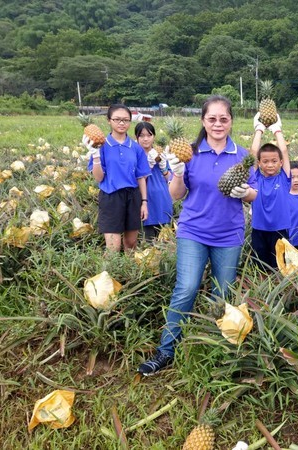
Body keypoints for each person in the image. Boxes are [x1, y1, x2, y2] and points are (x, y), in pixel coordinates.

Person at [138, 95, 257, 376]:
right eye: (212, 119)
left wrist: (247, 193)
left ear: (231, 122)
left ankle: (215, 347)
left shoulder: (241, 155)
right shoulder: (189, 152)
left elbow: (254, 193)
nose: (218, 124)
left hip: (229, 233)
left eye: (223, 119)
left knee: (223, 294)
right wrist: (177, 173)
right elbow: (176, 195)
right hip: (193, 230)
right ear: (203, 121)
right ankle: (166, 350)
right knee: (187, 287)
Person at [84, 104, 151, 252]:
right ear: (109, 121)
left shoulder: (135, 147)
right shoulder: (101, 145)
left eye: (126, 120)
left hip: (133, 196)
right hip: (111, 196)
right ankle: (109, 273)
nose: (122, 123)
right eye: (117, 119)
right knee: (113, 246)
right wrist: (95, 155)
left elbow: (141, 177)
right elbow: (99, 178)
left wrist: (144, 202)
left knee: (131, 243)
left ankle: (130, 274)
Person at [248, 113, 291, 271]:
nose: (270, 165)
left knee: (279, 265)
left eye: (274, 161)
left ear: (280, 163)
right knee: (260, 264)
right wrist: (259, 129)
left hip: (280, 229)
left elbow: (284, 151)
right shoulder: (256, 177)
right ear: (259, 163)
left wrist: (277, 130)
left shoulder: (284, 178)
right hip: (258, 228)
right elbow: (253, 152)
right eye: (265, 161)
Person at [134, 122, 173, 241]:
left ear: (154, 136)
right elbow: (136, 181)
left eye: (149, 135)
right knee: (147, 242)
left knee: (165, 241)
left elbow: (170, 179)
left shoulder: (160, 153)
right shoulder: (134, 155)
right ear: (136, 137)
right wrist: (148, 166)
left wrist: (164, 168)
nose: (146, 139)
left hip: (163, 200)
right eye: (141, 135)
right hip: (146, 202)